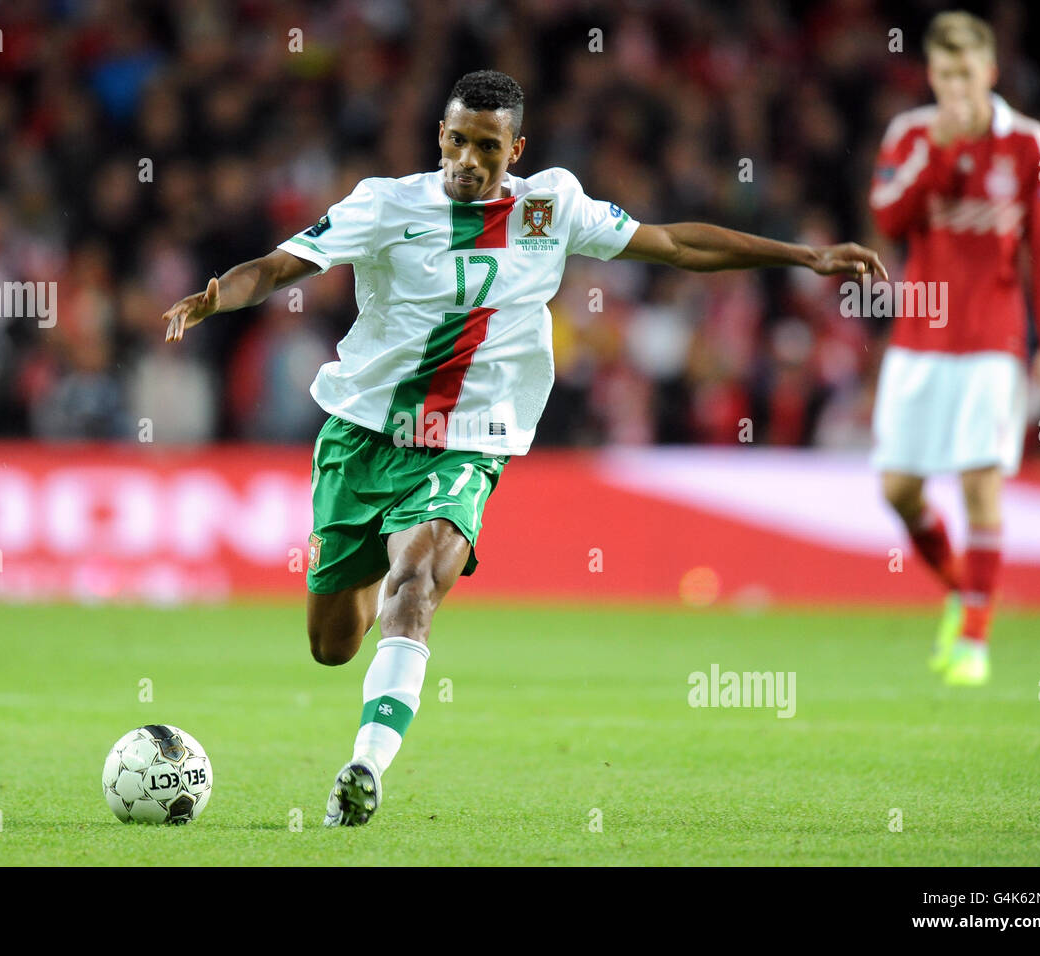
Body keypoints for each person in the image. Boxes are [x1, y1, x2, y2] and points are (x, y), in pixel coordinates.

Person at [163, 70, 886, 825]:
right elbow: (281, 266)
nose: (469, 160)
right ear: (439, 136)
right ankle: (378, 569)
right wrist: (220, 296)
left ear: (517, 149)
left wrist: (803, 256)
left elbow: (674, 244)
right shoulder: (384, 203)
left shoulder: (552, 206)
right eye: (457, 141)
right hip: (365, 434)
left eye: (488, 146)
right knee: (332, 645)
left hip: (468, 442)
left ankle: (364, 767)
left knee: (419, 582)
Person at [869, 11, 1040, 686]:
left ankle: (976, 644)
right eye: (945, 72)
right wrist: (936, 151)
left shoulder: (1028, 142)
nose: (956, 85)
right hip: (919, 338)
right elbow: (888, 219)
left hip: (993, 337)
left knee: (979, 483)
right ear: (931, 73)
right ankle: (964, 590)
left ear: (989, 72)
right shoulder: (908, 135)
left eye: (968, 72)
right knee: (898, 490)